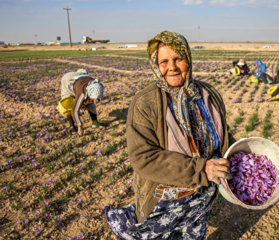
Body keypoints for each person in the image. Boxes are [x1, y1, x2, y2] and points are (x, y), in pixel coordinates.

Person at [104, 31, 235, 239]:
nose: (172, 67)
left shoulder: (208, 95)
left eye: (178, 59)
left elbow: (222, 137)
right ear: (155, 64)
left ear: (188, 59)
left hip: (202, 194)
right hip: (166, 198)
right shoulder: (146, 103)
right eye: (163, 61)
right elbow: (143, 158)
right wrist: (201, 168)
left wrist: (242, 155)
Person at [60, 69, 104, 136]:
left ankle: (95, 122)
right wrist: (80, 126)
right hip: (68, 80)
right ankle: (72, 126)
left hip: (80, 78)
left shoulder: (95, 85)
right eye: (93, 98)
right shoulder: (81, 93)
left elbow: (94, 97)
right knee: (68, 103)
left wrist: (88, 101)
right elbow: (74, 110)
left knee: (90, 103)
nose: (94, 100)